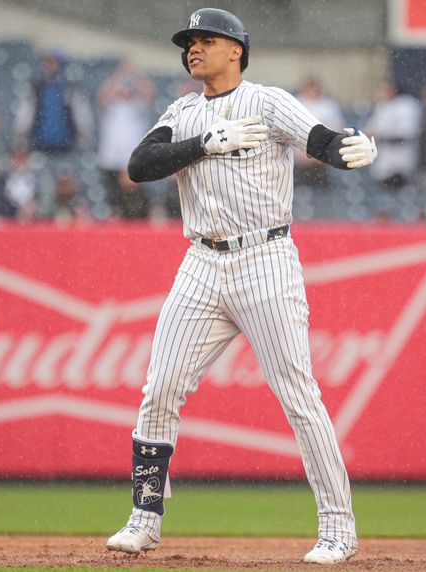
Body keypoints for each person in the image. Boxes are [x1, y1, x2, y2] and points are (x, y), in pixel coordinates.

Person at [104, 8, 377, 565]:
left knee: (298, 396)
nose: (194, 49)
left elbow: (321, 140)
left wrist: (351, 150)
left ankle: (338, 529)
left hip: (266, 257)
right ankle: (144, 519)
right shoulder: (181, 112)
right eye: (190, 42)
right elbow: (140, 163)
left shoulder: (268, 101)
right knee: (160, 390)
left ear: (236, 50)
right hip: (202, 262)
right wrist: (207, 142)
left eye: (206, 39)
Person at [96, 60, 155, 216]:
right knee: (113, 198)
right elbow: (102, 95)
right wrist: (120, 76)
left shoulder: (138, 106)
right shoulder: (112, 105)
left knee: (134, 197)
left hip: (132, 158)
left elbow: (150, 93)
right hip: (111, 159)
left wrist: (135, 75)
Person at [13, 51, 93, 154]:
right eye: (46, 62)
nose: (48, 66)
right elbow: (25, 114)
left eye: (52, 62)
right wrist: (21, 136)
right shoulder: (37, 88)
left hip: (66, 146)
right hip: (39, 145)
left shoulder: (69, 89)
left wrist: (85, 137)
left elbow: (82, 115)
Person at [363, 81, 422, 191]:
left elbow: (406, 134)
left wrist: (381, 134)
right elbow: (370, 129)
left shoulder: (406, 105)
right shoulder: (382, 107)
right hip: (385, 165)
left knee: (404, 195)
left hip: (402, 163)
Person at [293, 77, 346, 190]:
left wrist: (321, 155)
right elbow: (291, 133)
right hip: (300, 160)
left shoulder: (328, 106)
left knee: (324, 193)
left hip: (323, 161)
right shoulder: (297, 103)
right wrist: (303, 156)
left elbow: (336, 132)